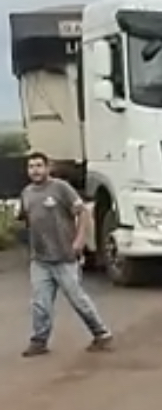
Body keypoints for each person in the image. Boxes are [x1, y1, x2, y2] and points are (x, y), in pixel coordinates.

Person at [18, 151, 113, 357]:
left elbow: (83, 213)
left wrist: (79, 241)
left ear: (47, 168)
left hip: (64, 256)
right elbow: (25, 220)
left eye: (38, 166)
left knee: (78, 299)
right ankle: (39, 341)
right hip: (40, 259)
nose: (35, 170)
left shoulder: (61, 188)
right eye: (31, 167)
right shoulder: (26, 193)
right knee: (40, 302)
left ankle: (101, 334)